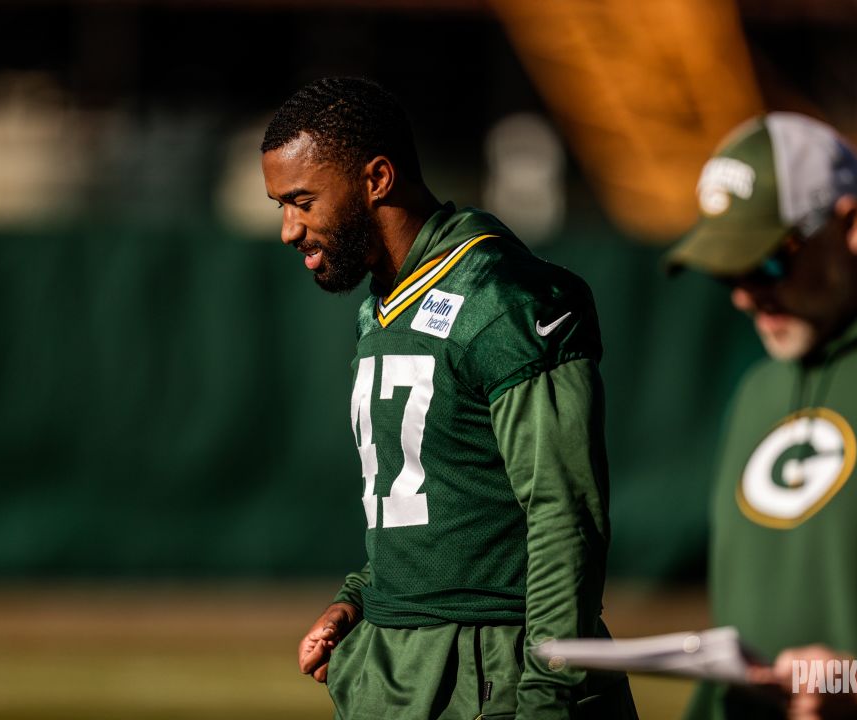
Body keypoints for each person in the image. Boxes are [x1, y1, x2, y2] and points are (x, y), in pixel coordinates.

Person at [260, 77, 637, 719]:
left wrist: (550, 690)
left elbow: (563, 513)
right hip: (399, 666)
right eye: (281, 206)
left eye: (302, 201)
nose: (290, 230)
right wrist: (362, 597)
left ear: (377, 179)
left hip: (494, 671)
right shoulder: (381, 306)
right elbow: (438, 504)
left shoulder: (503, 299)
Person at [665, 112, 857, 719]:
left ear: (850, 225)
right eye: (728, 270)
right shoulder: (759, 389)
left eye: (768, 261)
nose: (744, 293)